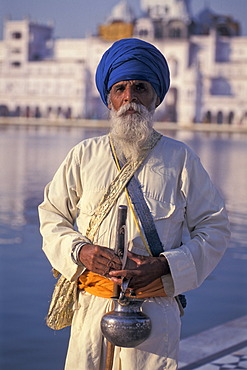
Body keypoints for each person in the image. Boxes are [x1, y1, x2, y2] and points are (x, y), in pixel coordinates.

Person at [38, 38, 230, 370]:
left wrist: (167, 265)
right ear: (109, 99)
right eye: (120, 89)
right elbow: (52, 216)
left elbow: (214, 228)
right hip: (91, 309)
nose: (130, 98)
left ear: (156, 96)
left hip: (153, 313)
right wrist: (80, 252)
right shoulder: (84, 155)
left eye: (140, 87)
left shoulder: (180, 158)